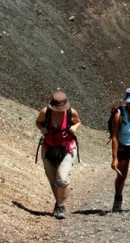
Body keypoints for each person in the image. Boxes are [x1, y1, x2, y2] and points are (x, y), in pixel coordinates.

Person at [36, 91, 82, 219]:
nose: (59, 111)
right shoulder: (46, 112)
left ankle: (61, 205)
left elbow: (78, 122)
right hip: (48, 147)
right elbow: (38, 122)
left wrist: (74, 128)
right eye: (57, 109)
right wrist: (42, 129)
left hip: (66, 147)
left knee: (62, 178)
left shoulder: (71, 113)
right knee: (52, 180)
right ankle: (58, 203)